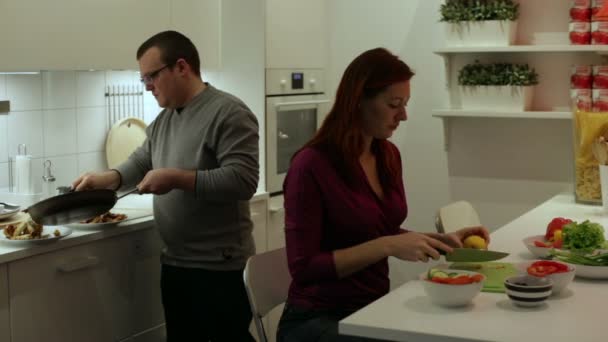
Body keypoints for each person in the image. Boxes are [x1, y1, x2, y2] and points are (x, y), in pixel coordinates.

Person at [277, 48, 490, 342]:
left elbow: (377, 232)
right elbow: (305, 268)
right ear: (358, 101)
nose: (402, 115)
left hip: (373, 308)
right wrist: (388, 245)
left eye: (405, 104)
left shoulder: (387, 155)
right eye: (394, 104)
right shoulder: (311, 166)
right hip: (317, 319)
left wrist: (439, 242)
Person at [72, 30, 259, 342]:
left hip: (220, 268)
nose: (147, 87)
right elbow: (141, 161)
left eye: (151, 77)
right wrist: (106, 178)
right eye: (143, 79)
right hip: (176, 263)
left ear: (181, 67)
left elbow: (243, 180)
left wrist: (175, 178)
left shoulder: (229, 112)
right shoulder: (165, 119)